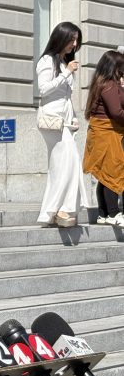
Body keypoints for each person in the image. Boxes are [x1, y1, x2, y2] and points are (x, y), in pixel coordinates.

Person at [35, 21, 88, 228]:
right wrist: (66, 73)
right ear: (61, 38)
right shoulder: (47, 61)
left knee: (63, 165)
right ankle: (61, 210)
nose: (74, 44)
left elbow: (66, 96)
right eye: (71, 39)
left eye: (76, 40)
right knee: (69, 162)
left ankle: (55, 212)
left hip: (64, 121)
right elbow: (44, 89)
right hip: (52, 121)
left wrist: (74, 115)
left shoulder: (64, 61)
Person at [83, 50, 124, 226]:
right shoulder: (109, 85)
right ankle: (114, 214)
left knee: (103, 174)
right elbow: (117, 112)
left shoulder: (101, 83)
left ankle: (103, 214)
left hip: (100, 132)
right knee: (112, 172)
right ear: (115, 67)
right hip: (107, 132)